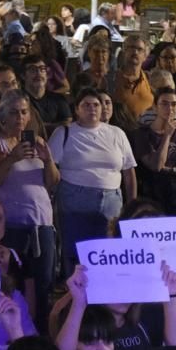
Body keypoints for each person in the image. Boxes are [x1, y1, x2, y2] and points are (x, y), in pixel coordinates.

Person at [0, 89, 60, 321]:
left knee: (44, 286)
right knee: (12, 285)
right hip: (12, 227)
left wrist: (48, 161)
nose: (20, 117)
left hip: (42, 226)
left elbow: (53, 182)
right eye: (14, 112)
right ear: (2, 117)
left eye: (24, 112)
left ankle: (42, 335)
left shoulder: (37, 142)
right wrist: (13, 158)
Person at [50, 88, 137, 269]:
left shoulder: (116, 133)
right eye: (86, 105)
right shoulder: (64, 133)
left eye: (96, 105)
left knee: (110, 254)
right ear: (77, 109)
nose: (92, 109)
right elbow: (50, 167)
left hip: (111, 199)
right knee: (77, 254)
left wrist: (132, 204)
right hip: (75, 200)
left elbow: (128, 171)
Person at [133, 85, 176, 215]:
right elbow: (156, 166)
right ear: (155, 107)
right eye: (164, 104)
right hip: (152, 193)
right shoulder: (143, 134)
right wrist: (167, 135)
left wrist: (171, 170)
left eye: (174, 104)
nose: (170, 108)